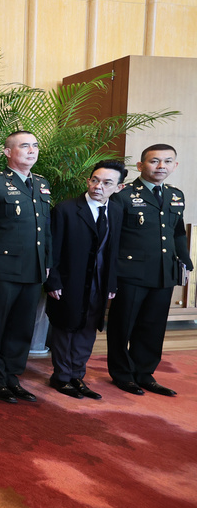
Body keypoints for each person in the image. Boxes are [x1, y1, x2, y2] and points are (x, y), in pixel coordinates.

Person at [0, 130, 52, 404]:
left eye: (35, 145)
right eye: (24, 146)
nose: (32, 150)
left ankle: (13, 377)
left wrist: (47, 262)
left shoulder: (41, 184)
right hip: (1, 270)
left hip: (33, 270)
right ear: (7, 152)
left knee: (22, 327)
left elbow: (46, 230)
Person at [106, 144, 193, 396]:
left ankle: (144, 373)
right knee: (123, 324)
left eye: (167, 162)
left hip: (163, 272)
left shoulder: (175, 195)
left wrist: (185, 261)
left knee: (153, 326)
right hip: (130, 272)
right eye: (154, 161)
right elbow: (111, 237)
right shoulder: (122, 195)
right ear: (141, 166)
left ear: (174, 166)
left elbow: (177, 232)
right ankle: (123, 374)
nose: (161, 166)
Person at [44, 160, 126, 399]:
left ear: (119, 188)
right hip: (71, 280)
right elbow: (53, 250)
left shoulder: (117, 210)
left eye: (107, 183)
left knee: (89, 328)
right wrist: (53, 281)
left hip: (99, 283)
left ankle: (77, 376)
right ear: (88, 181)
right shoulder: (66, 209)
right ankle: (61, 377)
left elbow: (114, 250)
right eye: (95, 180)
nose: (98, 186)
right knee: (66, 327)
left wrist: (111, 283)